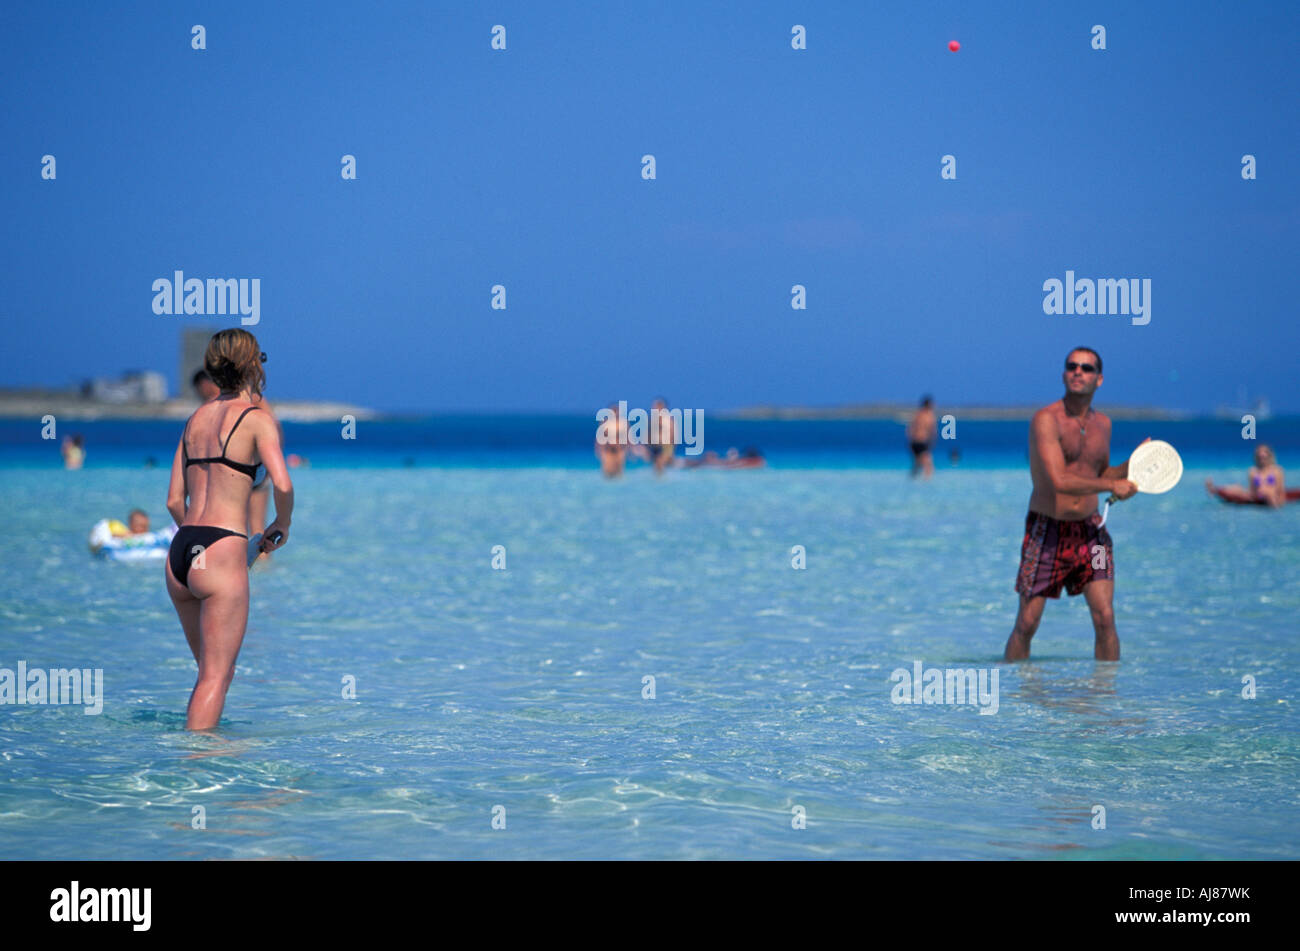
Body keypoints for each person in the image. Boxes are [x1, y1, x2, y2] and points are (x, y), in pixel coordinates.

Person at [166, 329, 293, 730]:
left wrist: (197, 543)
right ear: (252, 363)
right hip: (221, 548)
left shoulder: (195, 419)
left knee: (211, 672)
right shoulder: (257, 419)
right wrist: (281, 524)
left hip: (181, 552)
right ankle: (197, 771)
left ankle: (208, 750)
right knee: (216, 677)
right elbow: (283, 484)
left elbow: (173, 500)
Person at [1004, 348, 1138, 662]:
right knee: (1027, 623)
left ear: (1099, 379)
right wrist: (1111, 485)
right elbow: (1059, 480)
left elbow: (1101, 473)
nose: (1078, 372)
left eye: (1087, 368)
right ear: (1064, 374)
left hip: (1094, 534)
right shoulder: (1046, 420)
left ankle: (1106, 698)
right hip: (1047, 532)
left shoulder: (1103, 424)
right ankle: (1012, 699)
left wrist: (1133, 466)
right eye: (1072, 366)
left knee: (1105, 618)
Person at [195, 367, 284, 551]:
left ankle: (258, 573)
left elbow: (273, 428)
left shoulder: (240, 401)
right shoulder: (241, 401)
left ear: (206, 384)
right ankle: (260, 575)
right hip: (249, 469)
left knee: (247, 531)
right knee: (246, 531)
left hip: (248, 470)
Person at [1206, 445, 1286, 507]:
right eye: (1259, 457)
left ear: (1269, 456)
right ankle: (1214, 490)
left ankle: (1217, 491)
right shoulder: (1253, 471)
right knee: (1236, 487)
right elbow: (1252, 489)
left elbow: (1280, 489)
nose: (1262, 459)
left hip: (1271, 497)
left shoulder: (1277, 470)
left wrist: (1279, 502)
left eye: (1264, 457)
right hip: (1256, 497)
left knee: (1268, 495)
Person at [905, 396, 937, 479]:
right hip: (922, 442)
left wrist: (911, 440)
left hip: (914, 442)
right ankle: (927, 484)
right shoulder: (929, 415)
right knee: (928, 465)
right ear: (929, 405)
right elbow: (933, 431)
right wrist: (932, 443)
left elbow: (909, 429)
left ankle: (911, 481)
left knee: (917, 464)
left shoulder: (917, 414)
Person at [595, 402, 628, 478]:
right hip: (608, 450)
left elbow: (628, 437)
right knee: (607, 471)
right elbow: (599, 438)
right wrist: (598, 449)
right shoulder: (605, 423)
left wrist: (628, 449)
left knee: (619, 472)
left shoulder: (623, 423)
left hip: (619, 450)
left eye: (616, 411)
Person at [648, 397, 676, 476]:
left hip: (665, 445)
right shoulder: (653, 419)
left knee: (661, 465)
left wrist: (671, 449)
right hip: (655, 446)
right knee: (657, 467)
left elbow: (672, 435)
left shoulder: (668, 419)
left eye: (656, 406)